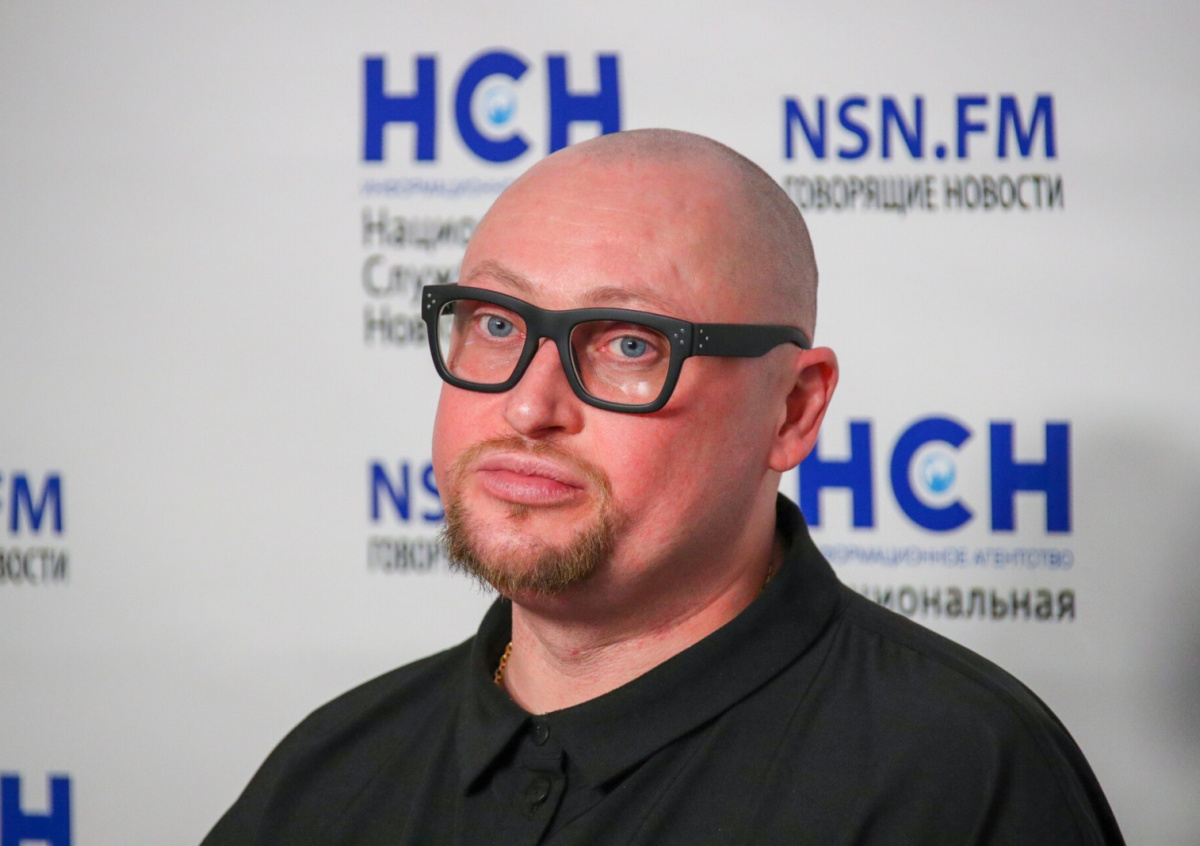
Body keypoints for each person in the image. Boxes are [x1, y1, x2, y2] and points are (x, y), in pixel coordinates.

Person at [202, 129, 1124, 845]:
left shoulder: (962, 780)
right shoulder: (329, 772)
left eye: (629, 343)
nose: (528, 406)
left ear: (793, 411)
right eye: (495, 323)